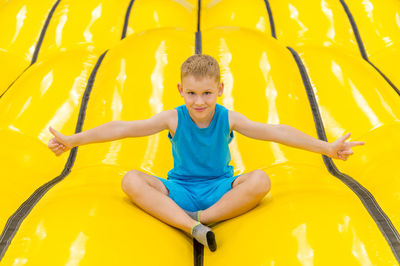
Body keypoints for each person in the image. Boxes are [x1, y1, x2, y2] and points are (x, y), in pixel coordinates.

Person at [47, 54, 365, 252]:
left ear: (220, 90)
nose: (199, 102)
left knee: (261, 181)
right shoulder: (173, 117)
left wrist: (328, 148)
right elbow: (122, 128)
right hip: (179, 189)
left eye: (207, 93)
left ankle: (196, 220)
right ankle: (193, 227)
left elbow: (277, 131)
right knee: (130, 180)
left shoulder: (228, 118)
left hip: (219, 190)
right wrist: (74, 140)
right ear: (180, 90)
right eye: (192, 93)